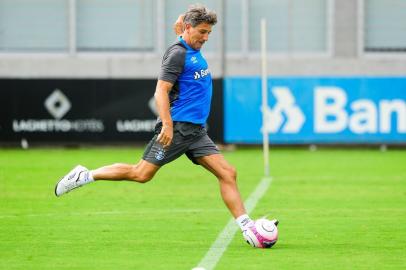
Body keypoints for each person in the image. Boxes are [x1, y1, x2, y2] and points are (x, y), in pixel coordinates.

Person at [54, 4, 276, 243]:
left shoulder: (189, 41)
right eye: (202, 32)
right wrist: (168, 126)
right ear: (189, 29)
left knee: (228, 173)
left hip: (196, 131)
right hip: (178, 127)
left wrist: (183, 23)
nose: (206, 37)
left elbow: (183, 25)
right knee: (141, 174)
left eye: (209, 32)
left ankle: (246, 228)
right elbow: (161, 91)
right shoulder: (177, 54)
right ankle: (86, 175)